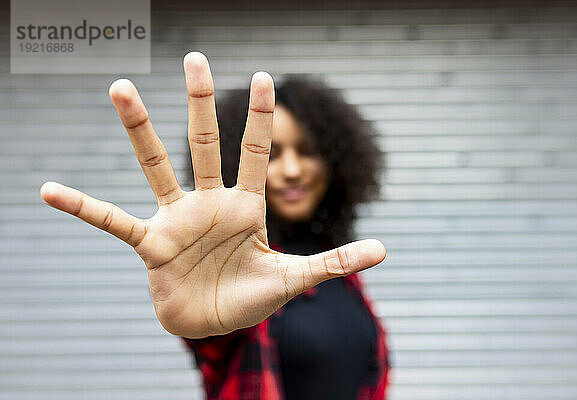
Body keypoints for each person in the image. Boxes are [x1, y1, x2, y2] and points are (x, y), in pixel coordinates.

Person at [38, 51, 389, 399]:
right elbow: (219, 339)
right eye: (274, 153)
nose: (292, 170)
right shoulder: (237, 268)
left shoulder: (340, 269)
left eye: (307, 151)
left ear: (336, 161)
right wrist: (203, 316)